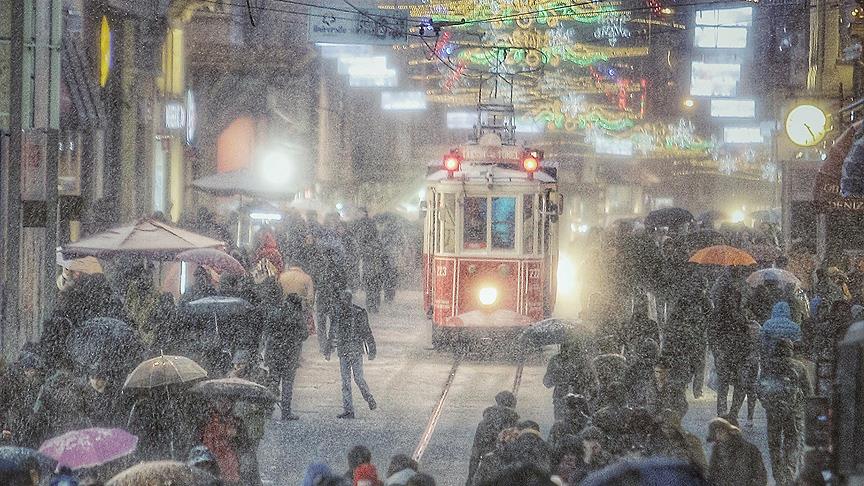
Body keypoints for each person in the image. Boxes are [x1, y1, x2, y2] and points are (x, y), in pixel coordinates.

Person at [758, 339, 811, 486]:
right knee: (793, 442)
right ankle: (790, 474)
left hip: (773, 412)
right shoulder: (799, 367)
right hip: (794, 413)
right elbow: (808, 392)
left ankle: (779, 478)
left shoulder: (768, 366)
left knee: (774, 445)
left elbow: (760, 388)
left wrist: (768, 404)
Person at [326, 291, 377, 419]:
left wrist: (328, 349)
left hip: (345, 350)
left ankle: (349, 409)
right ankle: (367, 398)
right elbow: (367, 332)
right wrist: (372, 349)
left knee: (346, 382)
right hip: (354, 350)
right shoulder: (358, 313)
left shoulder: (339, 314)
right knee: (357, 378)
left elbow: (332, 333)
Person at [264, 292, 308, 420]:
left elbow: (268, 330)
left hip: (274, 352)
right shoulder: (297, 316)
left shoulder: (275, 312)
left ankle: (268, 409)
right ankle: (286, 412)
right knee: (287, 384)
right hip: (290, 353)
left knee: (273, 382)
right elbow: (305, 334)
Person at [709, 289, 751, 417]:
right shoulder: (719, 316)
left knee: (738, 385)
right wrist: (718, 352)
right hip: (726, 354)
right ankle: (724, 413)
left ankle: (732, 413)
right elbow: (712, 336)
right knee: (725, 384)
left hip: (737, 355)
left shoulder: (739, 315)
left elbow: (746, 335)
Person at [466, 391, 519, 486]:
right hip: (508, 473)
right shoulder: (515, 425)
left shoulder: (484, 423)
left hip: (487, 469)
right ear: (513, 406)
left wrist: (470, 476)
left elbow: (475, 453)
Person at [706, 417, 767, 486]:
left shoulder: (748, 449)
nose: (717, 436)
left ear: (731, 432)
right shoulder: (717, 449)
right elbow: (712, 475)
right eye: (715, 432)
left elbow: (760, 476)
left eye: (721, 431)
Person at [543, 340, 594, 420]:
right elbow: (546, 382)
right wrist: (558, 376)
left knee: (576, 426)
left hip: (578, 402)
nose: (567, 347)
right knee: (561, 427)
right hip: (561, 401)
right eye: (565, 345)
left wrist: (578, 379)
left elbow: (590, 381)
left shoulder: (583, 361)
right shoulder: (556, 360)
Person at [201, 399, 242, 485]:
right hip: (215, 464)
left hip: (231, 466)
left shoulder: (237, 422)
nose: (224, 405)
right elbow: (206, 442)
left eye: (228, 402)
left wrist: (236, 436)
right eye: (220, 401)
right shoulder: (208, 420)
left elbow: (244, 445)